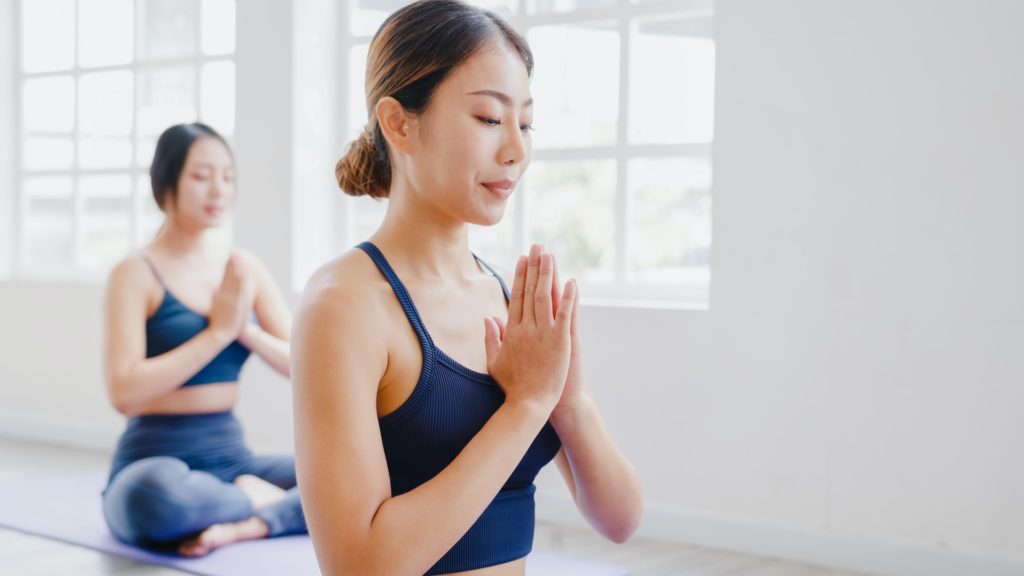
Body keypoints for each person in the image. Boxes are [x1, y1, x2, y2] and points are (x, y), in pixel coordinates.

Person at [292, 1, 643, 574]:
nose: (516, 150)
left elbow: (620, 520)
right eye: (488, 118)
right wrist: (526, 405)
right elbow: (359, 566)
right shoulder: (343, 304)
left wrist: (567, 399)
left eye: (525, 123)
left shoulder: (508, 298)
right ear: (399, 123)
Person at [101, 122, 306, 556]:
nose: (218, 190)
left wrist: (244, 330)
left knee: (362, 476)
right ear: (166, 181)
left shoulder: (242, 269)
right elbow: (124, 392)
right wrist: (217, 334)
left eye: (227, 177)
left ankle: (245, 524)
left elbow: (303, 366)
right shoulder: (135, 273)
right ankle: (254, 503)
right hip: (152, 463)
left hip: (233, 459)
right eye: (201, 176)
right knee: (155, 500)